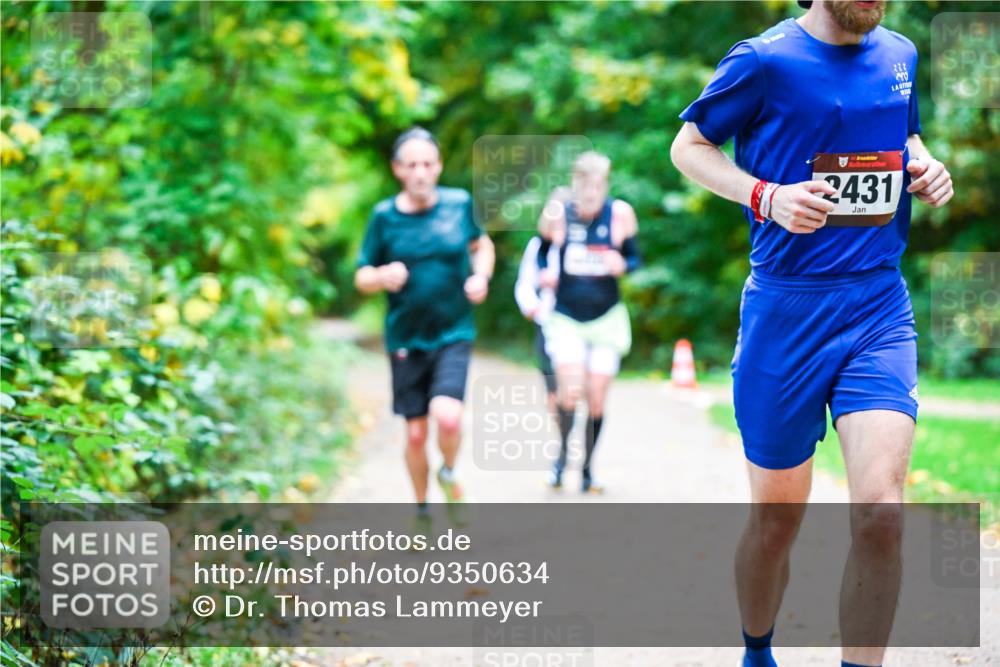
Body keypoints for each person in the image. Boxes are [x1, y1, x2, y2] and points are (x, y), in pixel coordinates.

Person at [670, 2, 953, 666]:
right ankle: (757, 650)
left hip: (878, 307)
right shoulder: (763, 60)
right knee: (776, 523)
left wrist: (924, 163)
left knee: (880, 515)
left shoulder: (901, 54)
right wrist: (765, 195)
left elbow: (905, 135)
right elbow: (688, 148)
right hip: (785, 314)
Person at [355, 127, 495, 529]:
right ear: (397, 169)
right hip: (406, 338)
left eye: (427, 164)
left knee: (448, 417)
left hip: (453, 332)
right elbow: (361, 276)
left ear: (438, 166)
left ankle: (449, 473)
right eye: (411, 165)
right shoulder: (384, 217)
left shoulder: (459, 204)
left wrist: (481, 276)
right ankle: (421, 510)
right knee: (416, 435)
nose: (420, 172)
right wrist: (381, 275)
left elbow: (481, 245)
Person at [537, 153, 641, 493]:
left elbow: (635, 258)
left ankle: (586, 470)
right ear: (575, 184)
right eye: (585, 186)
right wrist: (546, 272)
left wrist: (622, 264)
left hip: (606, 317)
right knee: (570, 392)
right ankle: (561, 458)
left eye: (598, 186)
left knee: (596, 398)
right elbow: (542, 251)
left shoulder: (620, 214)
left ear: (605, 185)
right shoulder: (559, 213)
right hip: (567, 316)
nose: (591, 193)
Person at [514, 227, 562, 418]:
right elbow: (525, 282)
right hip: (547, 319)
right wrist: (530, 306)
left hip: (584, 321)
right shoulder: (538, 245)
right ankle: (563, 432)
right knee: (552, 381)